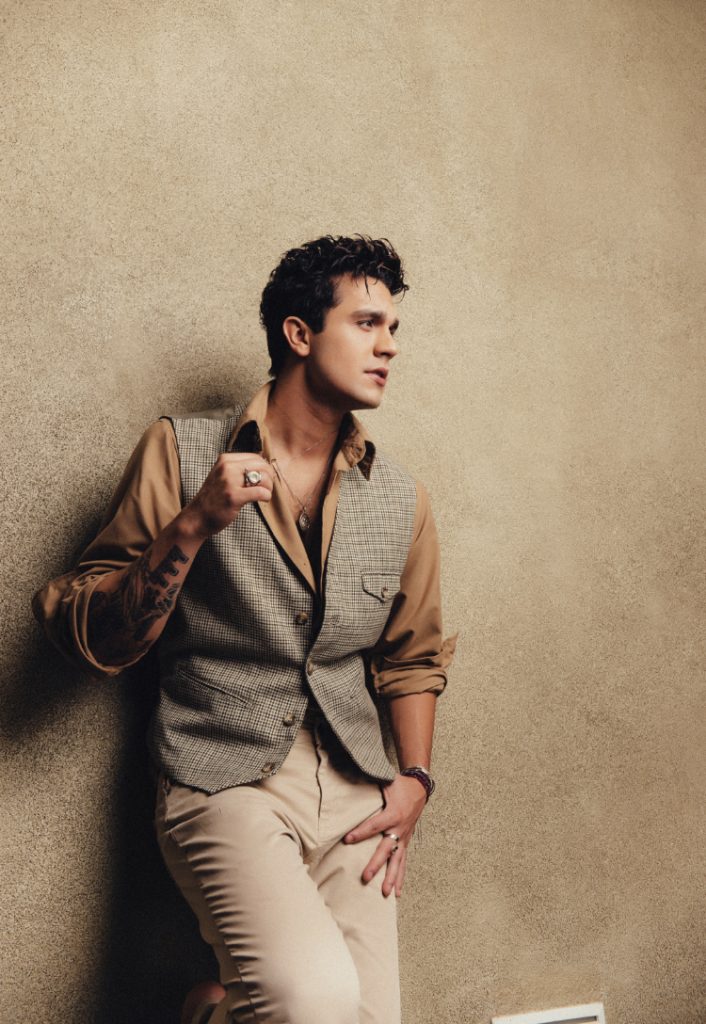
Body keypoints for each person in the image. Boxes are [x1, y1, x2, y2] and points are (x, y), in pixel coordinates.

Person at [32, 233, 457, 1024]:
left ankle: (219, 1013)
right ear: (299, 333)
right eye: (367, 323)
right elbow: (85, 627)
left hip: (357, 786)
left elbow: (413, 657)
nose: (389, 347)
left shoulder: (401, 498)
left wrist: (415, 782)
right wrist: (194, 524)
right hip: (222, 774)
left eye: (394, 329)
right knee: (313, 1001)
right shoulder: (181, 451)